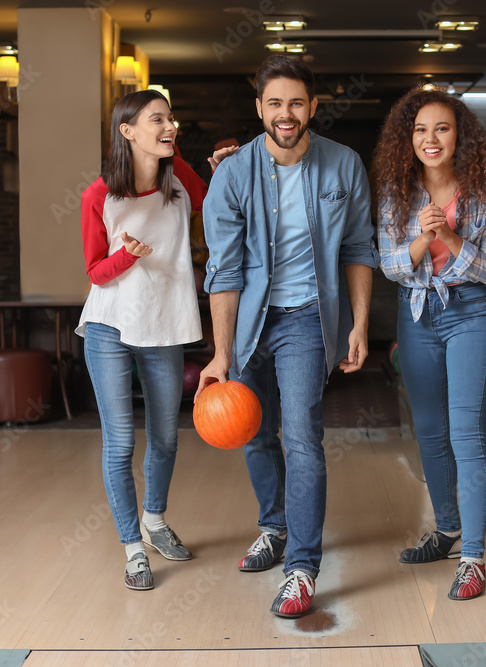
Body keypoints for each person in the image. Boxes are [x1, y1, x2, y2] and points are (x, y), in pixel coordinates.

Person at [196, 55, 378, 619]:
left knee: (301, 437)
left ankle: (301, 567)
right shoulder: (231, 174)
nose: (286, 113)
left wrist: (359, 323)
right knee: (253, 432)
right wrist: (221, 353)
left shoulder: (344, 164)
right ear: (259, 108)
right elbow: (224, 271)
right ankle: (273, 527)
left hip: (307, 319)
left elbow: (358, 248)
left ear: (313, 107)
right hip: (248, 321)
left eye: (296, 102)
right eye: (274, 102)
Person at [374, 89, 486, 601]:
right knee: (429, 432)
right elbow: (390, 265)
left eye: (442, 128)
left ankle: (473, 557)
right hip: (417, 314)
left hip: (469, 313)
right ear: (408, 139)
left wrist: (449, 237)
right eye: (420, 130)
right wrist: (421, 239)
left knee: (467, 435)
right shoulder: (396, 193)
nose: (431, 139)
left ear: (460, 136)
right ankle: (447, 530)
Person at [76, 89, 208, 591]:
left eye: (171, 118)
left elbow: (216, 203)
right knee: (120, 442)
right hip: (109, 325)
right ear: (127, 131)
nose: (169, 126)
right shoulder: (98, 196)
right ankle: (133, 549)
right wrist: (127, 255)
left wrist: (226, 171)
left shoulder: (180, 181)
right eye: (158, 119)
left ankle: (155, 520)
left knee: (167, 436)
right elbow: (95, 271)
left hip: (164, 324)